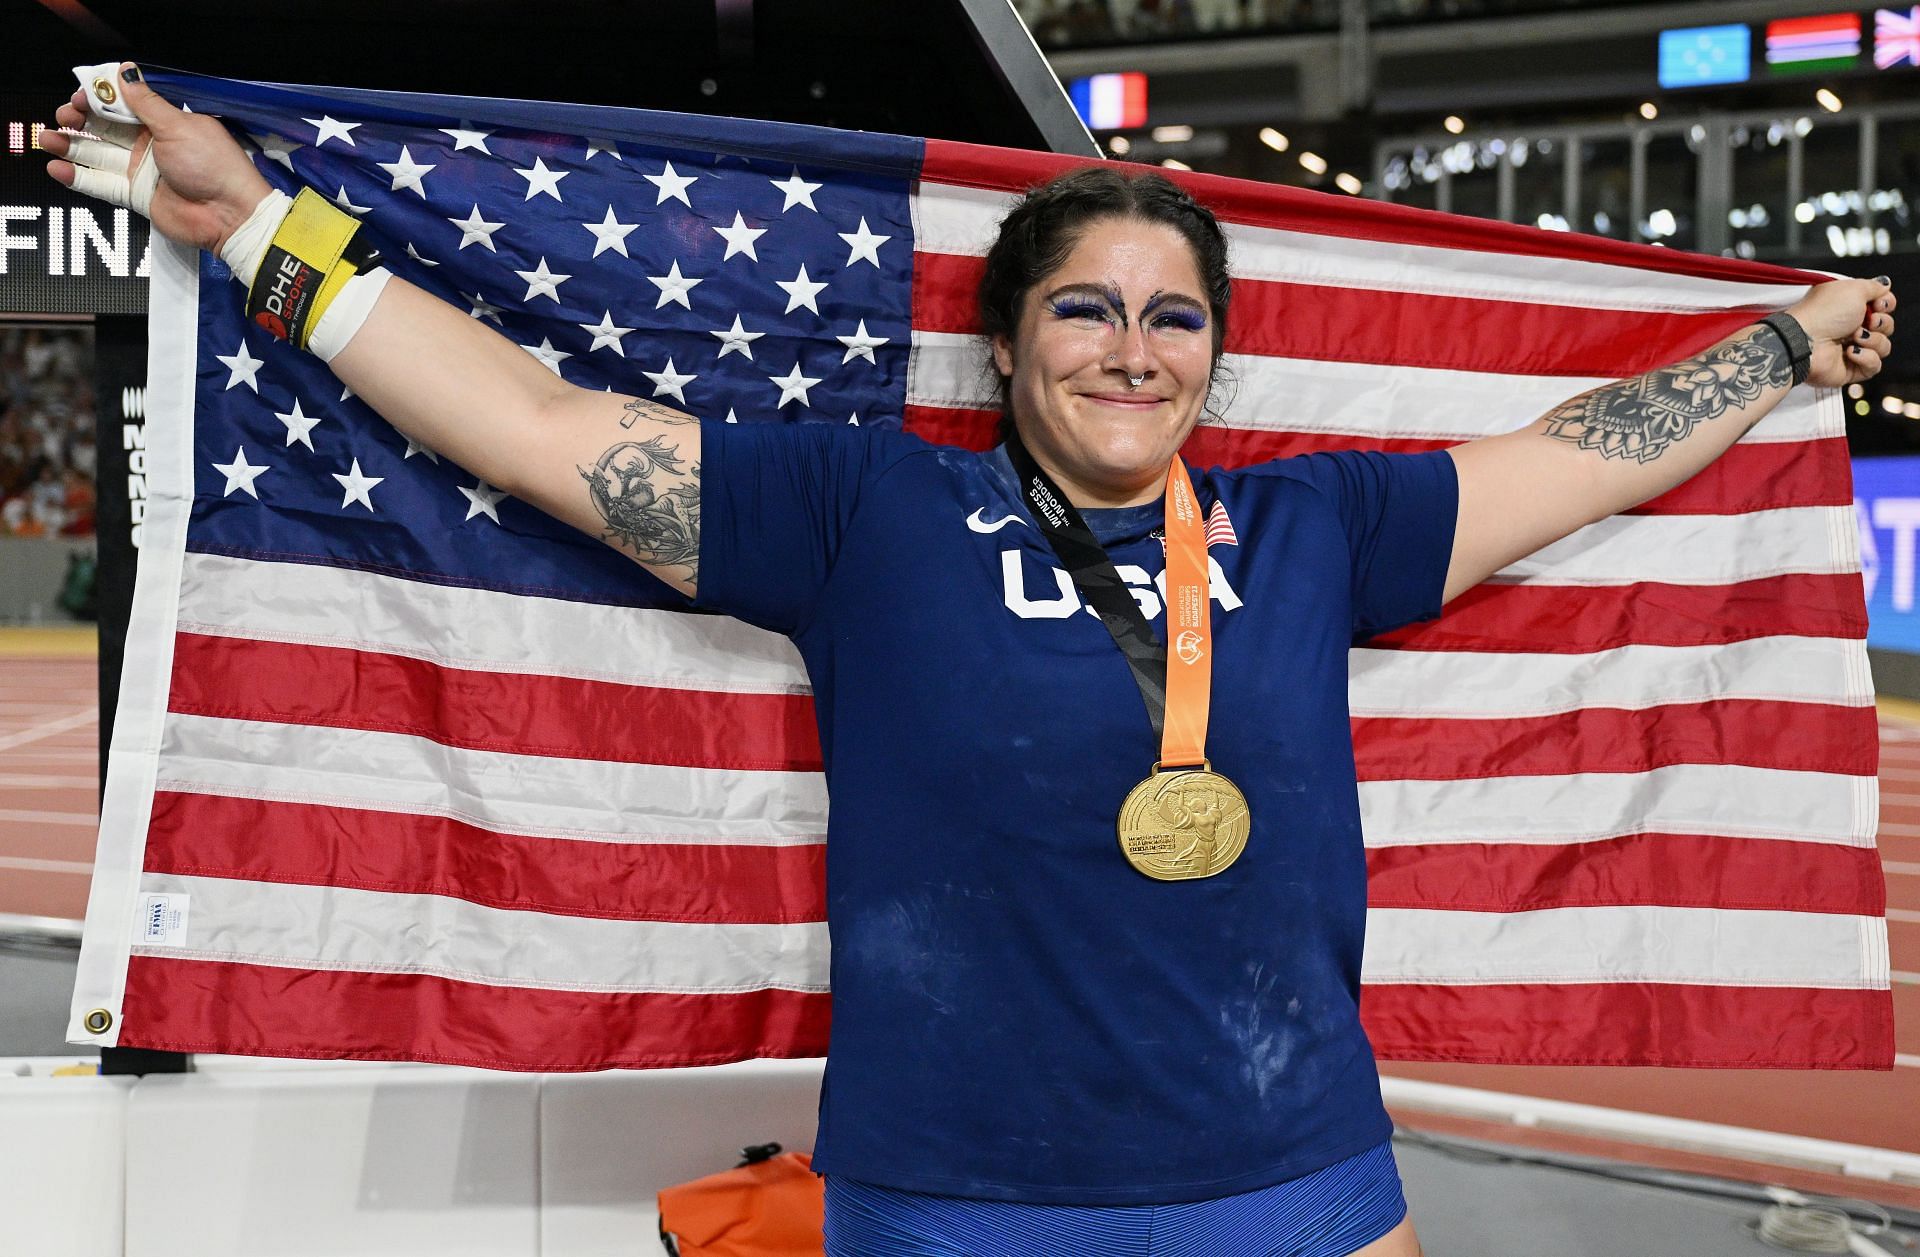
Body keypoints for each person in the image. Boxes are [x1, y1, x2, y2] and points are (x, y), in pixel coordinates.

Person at [45, 65, 1896, 1257]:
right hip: (953, 1203)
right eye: (1084, 306)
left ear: (1213, 361)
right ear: (1008, 343)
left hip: (1301, 1185)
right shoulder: (865, 513)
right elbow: (533, 422)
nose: (1131, 349)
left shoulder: (1319, 524)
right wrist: (265, 235)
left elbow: (1580, 452)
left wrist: (1782, 347)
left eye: (1175, 319)